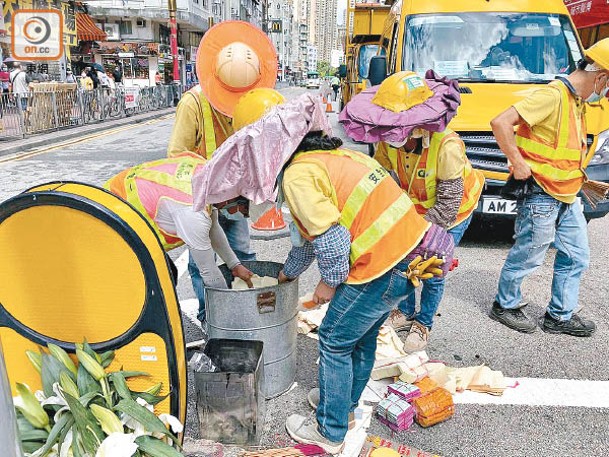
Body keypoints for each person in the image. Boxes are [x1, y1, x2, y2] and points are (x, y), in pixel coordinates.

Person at [192, 92, 455, 453]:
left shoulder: (298, 177)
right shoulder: (329, 157)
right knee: (359, 338)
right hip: (406, 259)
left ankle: (329, 431)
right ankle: (342, 407)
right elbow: (309, 242)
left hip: (381, 264)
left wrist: (326, 287)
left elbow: (331, 244)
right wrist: (286, 273)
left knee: (333, 338)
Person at [340, 70, 484, 351]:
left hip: (454, 210)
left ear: (418, 128)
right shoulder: (388, 140)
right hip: (416, 206)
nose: (391, 136)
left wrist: (418, 238)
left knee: (432, 268)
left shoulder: (447, 146)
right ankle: (404, 312)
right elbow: (382, 179)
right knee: (403, 262)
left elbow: (448, 203)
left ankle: (424, 323)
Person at [488, 38, 609, 336]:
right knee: (530, 253)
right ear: (602, 77)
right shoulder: (552, 96)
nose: (606, 95)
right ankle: (505, 305)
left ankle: (559, 315)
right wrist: (517, 161)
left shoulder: (576, 102)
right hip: (541, 194)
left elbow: (562, 150)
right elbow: (501, 122)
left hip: (567, 195)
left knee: (577, 255)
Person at [167, 20, 278, 323]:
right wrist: (213, 194)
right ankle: (211, 316)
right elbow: (177, 160)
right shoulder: (193, 104)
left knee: (241, 253)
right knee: (201, 263)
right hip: (201, 201)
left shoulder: (255, 100)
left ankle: (247, 312)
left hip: (235, 200)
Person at [105, 153, 256, 302]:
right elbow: (209, 272)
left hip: (117, 200)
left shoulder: (209, 177)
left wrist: (234, 265)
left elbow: (213, 230)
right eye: (243, 210)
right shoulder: (192, 211)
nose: (242, 215)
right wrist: (230, 306)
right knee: (150, 289)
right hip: (111, 223)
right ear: (229, 197)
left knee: (167, 276)